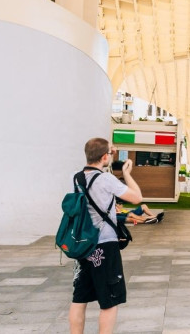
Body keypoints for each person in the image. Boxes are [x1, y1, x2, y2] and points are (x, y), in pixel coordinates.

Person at [69, 138, 142, 334]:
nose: (112, 154)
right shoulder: (106, 179)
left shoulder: (77, 178)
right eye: (110, 153)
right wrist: (126, 173)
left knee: (79, 298)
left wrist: (108, 150)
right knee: (109, 300)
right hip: (105, 245)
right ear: (104, 157)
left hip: (84, 245)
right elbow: (137, 197)